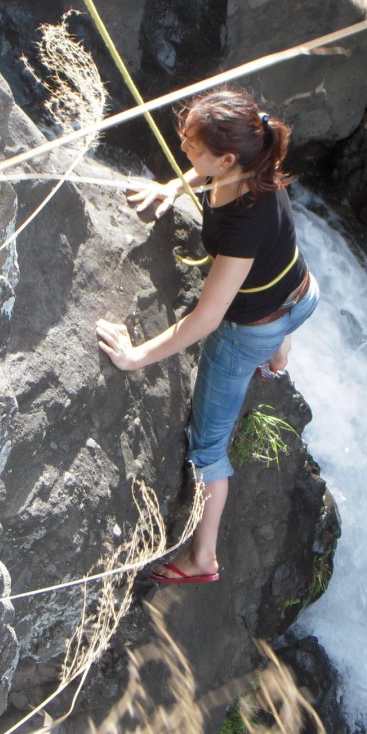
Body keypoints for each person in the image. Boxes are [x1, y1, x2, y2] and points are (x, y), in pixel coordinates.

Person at [95, 86, 319, 585]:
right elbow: (206, 171)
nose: (184, 152)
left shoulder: (243, 222)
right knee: (276, 322)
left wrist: (135, 357)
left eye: (193, 147)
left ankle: (203, 560)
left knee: (207, 448)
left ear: (227, 156)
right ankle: (279, 346)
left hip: (249, 330)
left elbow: (205, 320)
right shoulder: (256, 166)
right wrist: (174, 188)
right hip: (302, 294)